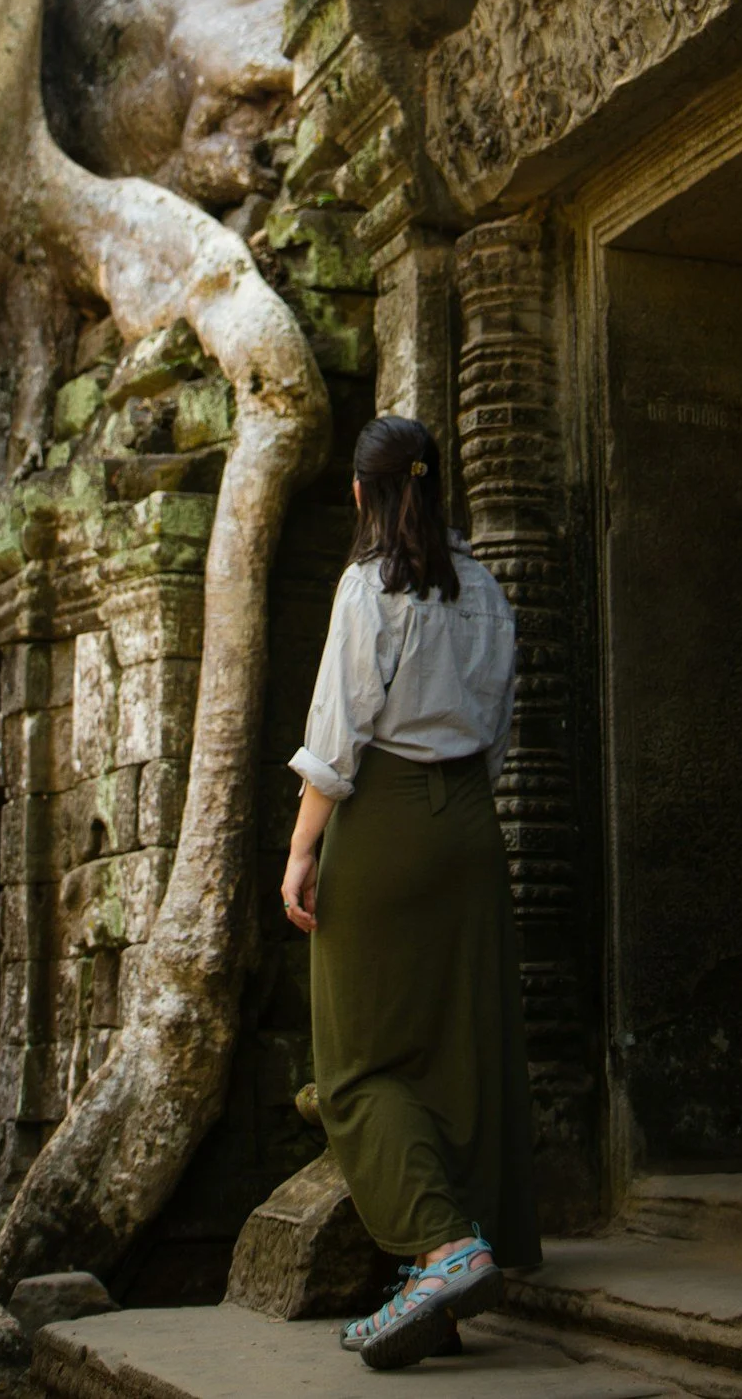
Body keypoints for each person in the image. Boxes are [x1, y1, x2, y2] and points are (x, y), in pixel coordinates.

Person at [281, 412, 541, 1371]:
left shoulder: (368, 588)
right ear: (432, 485)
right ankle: (447, 1268)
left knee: (354, 1063)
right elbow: (500, 723)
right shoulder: (485, 590)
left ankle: (442, 1250)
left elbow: (338, 730)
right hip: (471, 827)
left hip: (383, 820)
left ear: (363, 492)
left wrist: (302, 850)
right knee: (454, 1051)